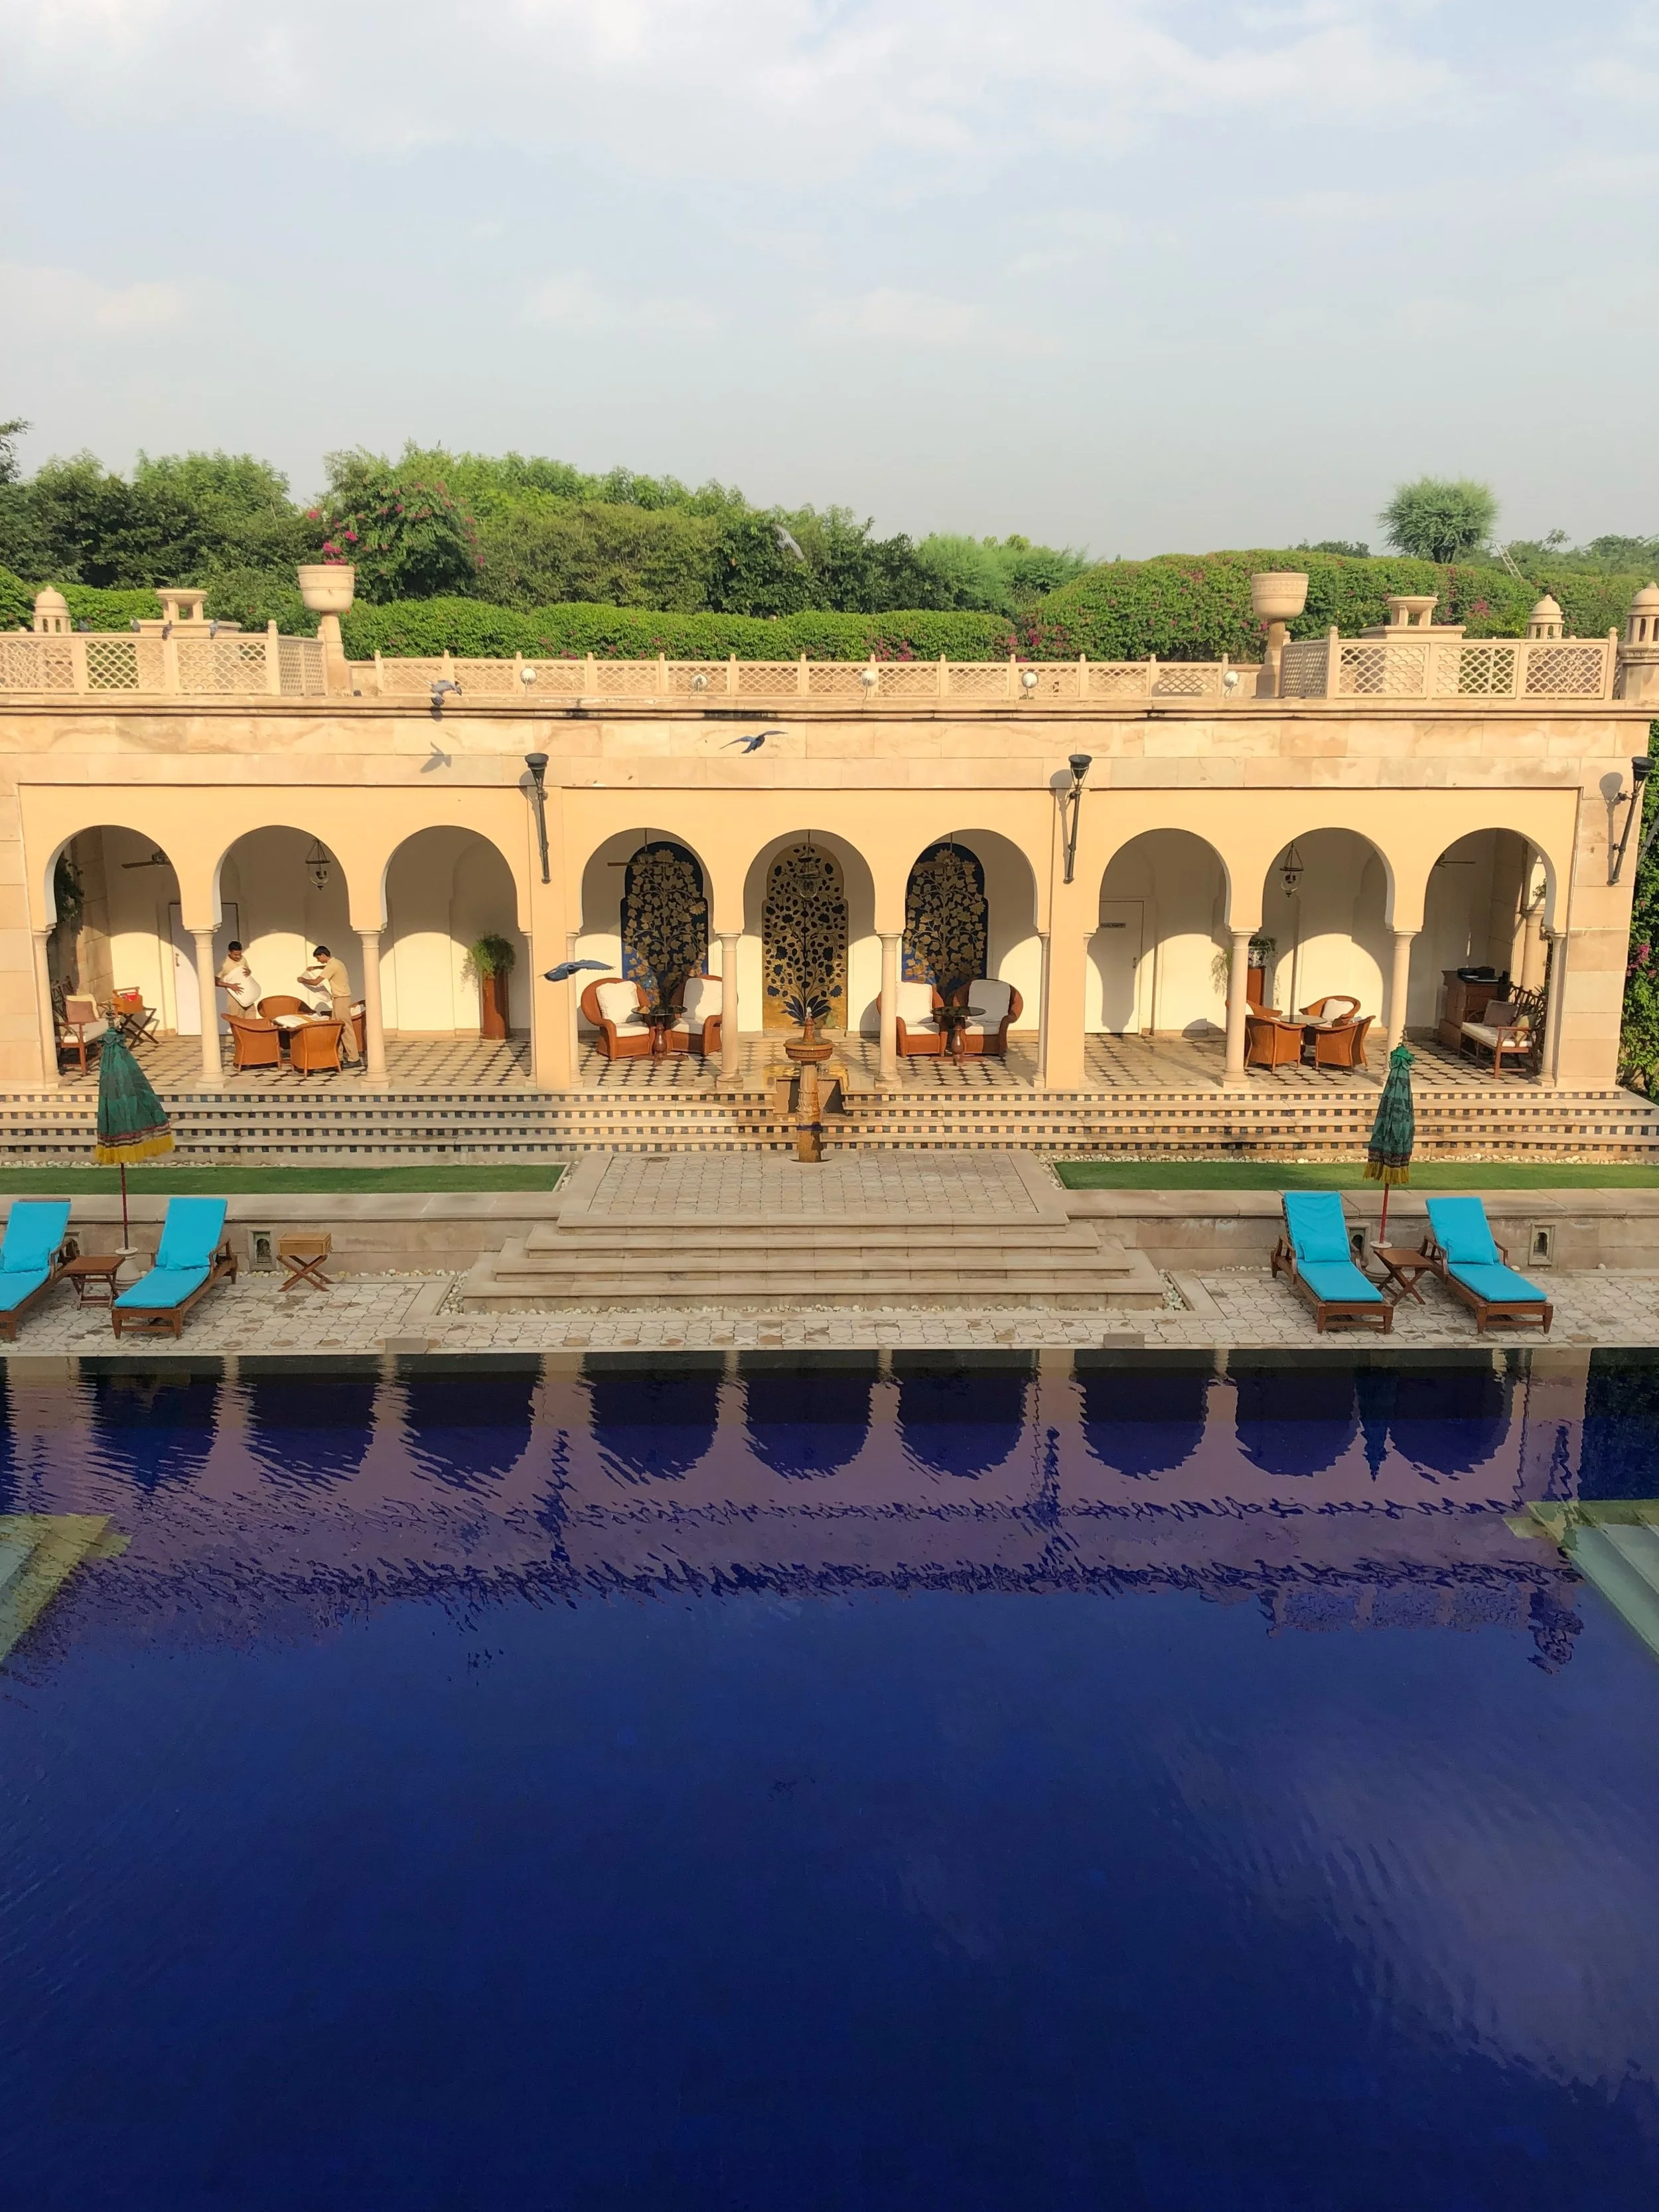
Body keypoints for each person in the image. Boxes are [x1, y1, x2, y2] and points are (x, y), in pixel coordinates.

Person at [299, 943, 360, 1064]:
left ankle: (354, 1058)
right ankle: (338, 1056)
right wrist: (316, 968)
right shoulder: (336, 963)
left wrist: (302, 980)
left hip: (342, 999)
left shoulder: (332, 966)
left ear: (323, 955)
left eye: (318, 958)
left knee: (346, 1028)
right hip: (338, 1000)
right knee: (336, 1028)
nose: (318, 960)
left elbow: (316, 982)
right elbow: (327, 968)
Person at [216, 941, 261, 1014]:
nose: (238, 957)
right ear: (229, 952)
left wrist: (249, 971)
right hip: (234, 997)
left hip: (248, 995)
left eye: (240, 954)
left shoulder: (243, 959)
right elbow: (216, 981)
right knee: (238, 1021)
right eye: (235, 955)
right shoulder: (224, 964)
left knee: (251, 1020)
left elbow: (246, 970)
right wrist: (231, 986)